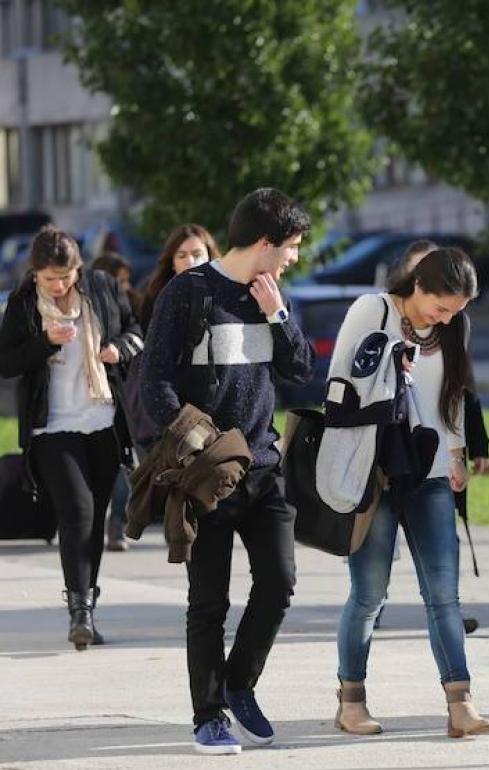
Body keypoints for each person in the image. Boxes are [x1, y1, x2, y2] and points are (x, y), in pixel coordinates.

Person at [141, 188, 313, 754]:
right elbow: (155, 382)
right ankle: (208, 715)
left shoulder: (270, 293)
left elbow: (299, 369)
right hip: (207, 472)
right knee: (209, 600)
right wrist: (198, 447)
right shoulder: (187, 294)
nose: (292, 258)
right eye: (288, 247)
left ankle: (239, 684)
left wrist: (279, 315)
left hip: (264, 467)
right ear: (264, 243)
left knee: (280, 583)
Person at [332, 247, 489, 739]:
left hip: (430, 479)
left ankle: (460, 703)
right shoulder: (372, 310)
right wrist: (388, 367)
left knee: (444, 594)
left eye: (455, 312)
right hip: (374, 474)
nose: (445, 318)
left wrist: (457, 452)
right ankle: (351, 700)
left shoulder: (453, 327)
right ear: (419, 287)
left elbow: (452, 394)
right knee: (369, 595)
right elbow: (339, 386)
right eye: (441, 307)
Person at [0, 225, 140, 650]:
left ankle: (88, 608)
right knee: (76, 510)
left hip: (102, 420)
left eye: (66, 276)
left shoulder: (101, 288)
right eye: (49, 279)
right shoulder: (24, 304)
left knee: (94, 517)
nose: (59, 286)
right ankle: (78, 610)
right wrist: (44, 342)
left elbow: (136, 330)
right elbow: (6, 364)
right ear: (35, 274)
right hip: (51, 426)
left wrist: (118, 349)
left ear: (79, 268)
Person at [90, 252, 142, 553]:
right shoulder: (90, 303)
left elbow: (137, 334)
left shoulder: (132, 301)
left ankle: (117, 524)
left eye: (126, 280)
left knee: (126, 465)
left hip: (128, 393)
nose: (124, 286)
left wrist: (119, 349)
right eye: (118, 280)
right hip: (100, 395)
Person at [138, 224, 220, 330]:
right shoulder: (157, 294)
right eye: (182, 256)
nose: (190, 262)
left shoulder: (224, 291)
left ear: (209, 257)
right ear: (172, 263)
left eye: (197, 255)